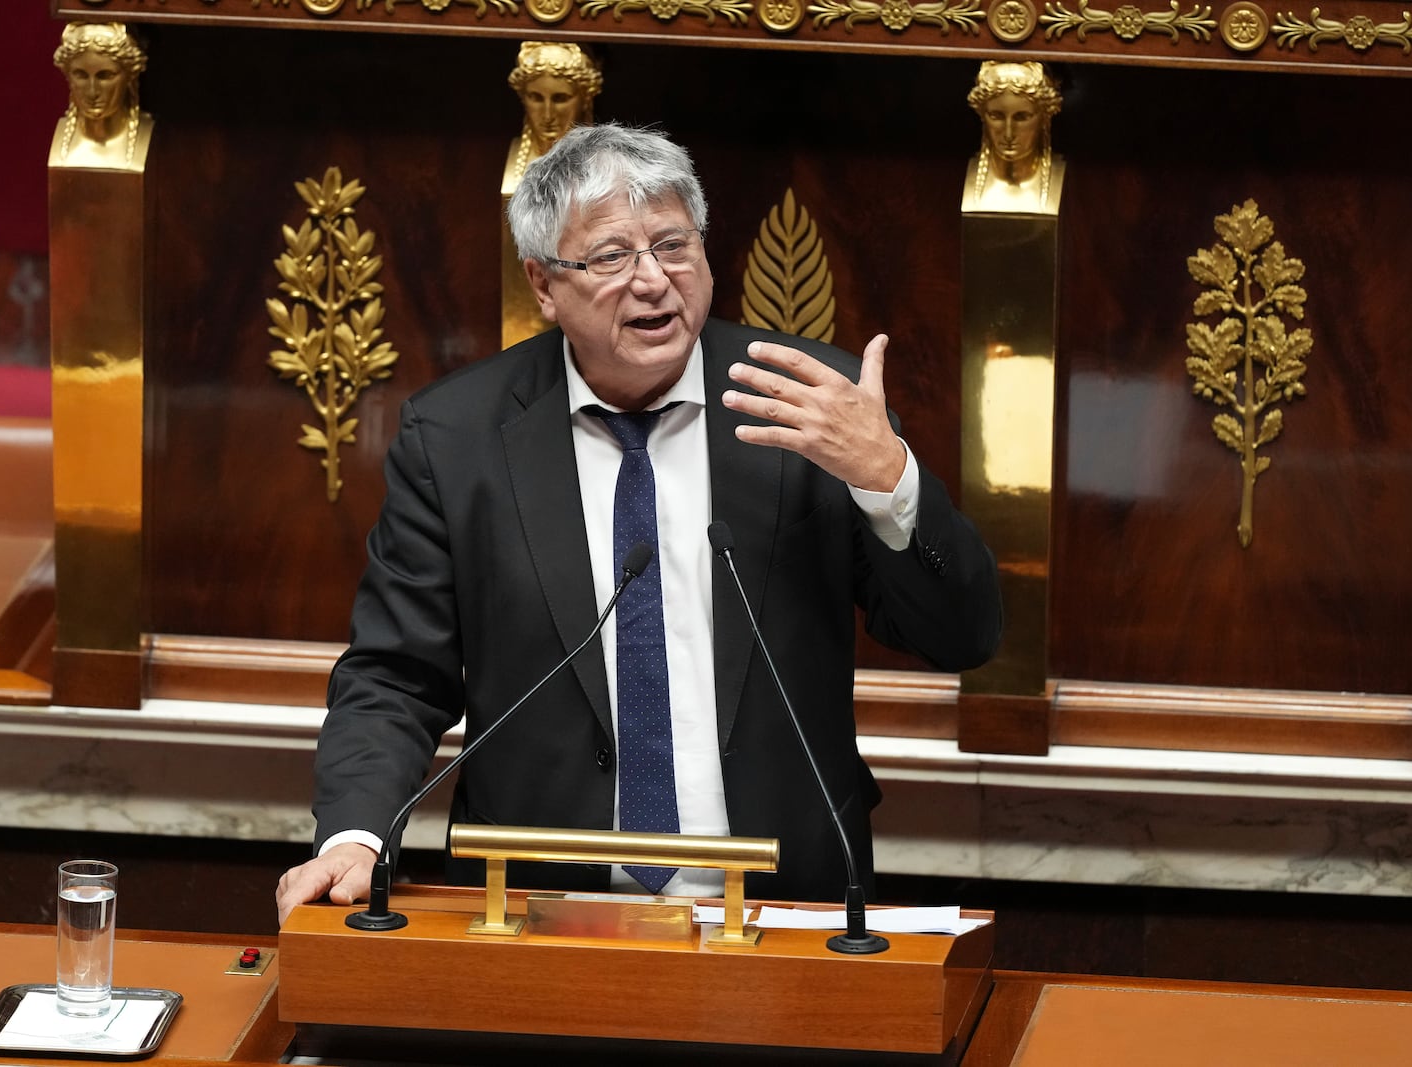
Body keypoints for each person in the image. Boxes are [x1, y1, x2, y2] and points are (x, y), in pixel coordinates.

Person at [276, 124, 1002, 923]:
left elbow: (962, 636)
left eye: (673, 246)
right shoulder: (457, 439)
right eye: (613, 257)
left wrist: (889, 476)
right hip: (533, 911)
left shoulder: (813, 409)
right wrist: (355, 834)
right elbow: (395, 676)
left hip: (784, 906)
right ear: (544, 285)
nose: (654, 281)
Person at [961, 61, 1063, 214]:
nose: (1008, 134)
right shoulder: (957, 181)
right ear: (982, 115)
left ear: (1045, 117)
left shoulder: (1064, 179)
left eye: (1022, 117)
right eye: (996, 116)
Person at [501, 41, 603, 194]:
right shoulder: (517, 164)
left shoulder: (603, 166)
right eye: (536, 98)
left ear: (586, 99)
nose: (548, 115)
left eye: (560, 98)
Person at [50, 22, 153, 172]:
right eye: (81, 75)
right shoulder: (62, 144)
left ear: (130, 76)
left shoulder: (146, 135)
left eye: (105, 76)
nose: (92, 92)